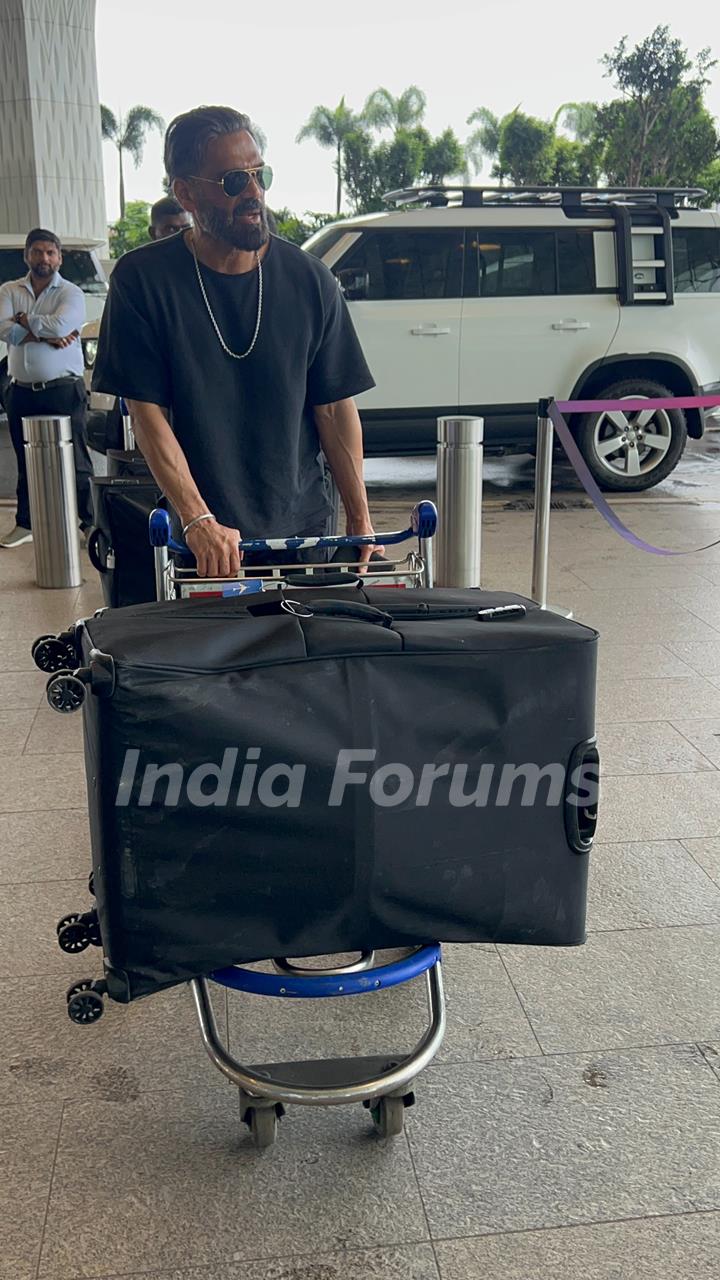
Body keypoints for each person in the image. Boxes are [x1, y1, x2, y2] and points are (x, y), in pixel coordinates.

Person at [92, 104, 380, 578]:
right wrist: (197, 518)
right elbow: (148, 416)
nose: (254, 192)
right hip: (199, 543)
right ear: (185, 193)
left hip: (304, 531)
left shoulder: (311, 281)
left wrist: (360, 518)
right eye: (233, 181)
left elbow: (334, 408)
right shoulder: (142, 281)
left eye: (259, 174)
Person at [0, 228, 93, 547]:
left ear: (59, 257)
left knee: (78, 460)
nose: (44, 258)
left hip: (64, 390)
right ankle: (25, 525)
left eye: (50, 252)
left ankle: (89, 524)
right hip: (21, 391)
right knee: (24, 461)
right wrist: (46, 334)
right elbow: (1, 327)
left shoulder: (71, 293)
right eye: (37, 252)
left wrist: (24, 321)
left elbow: (63, 326)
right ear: (27, 255)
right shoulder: (10, 289)